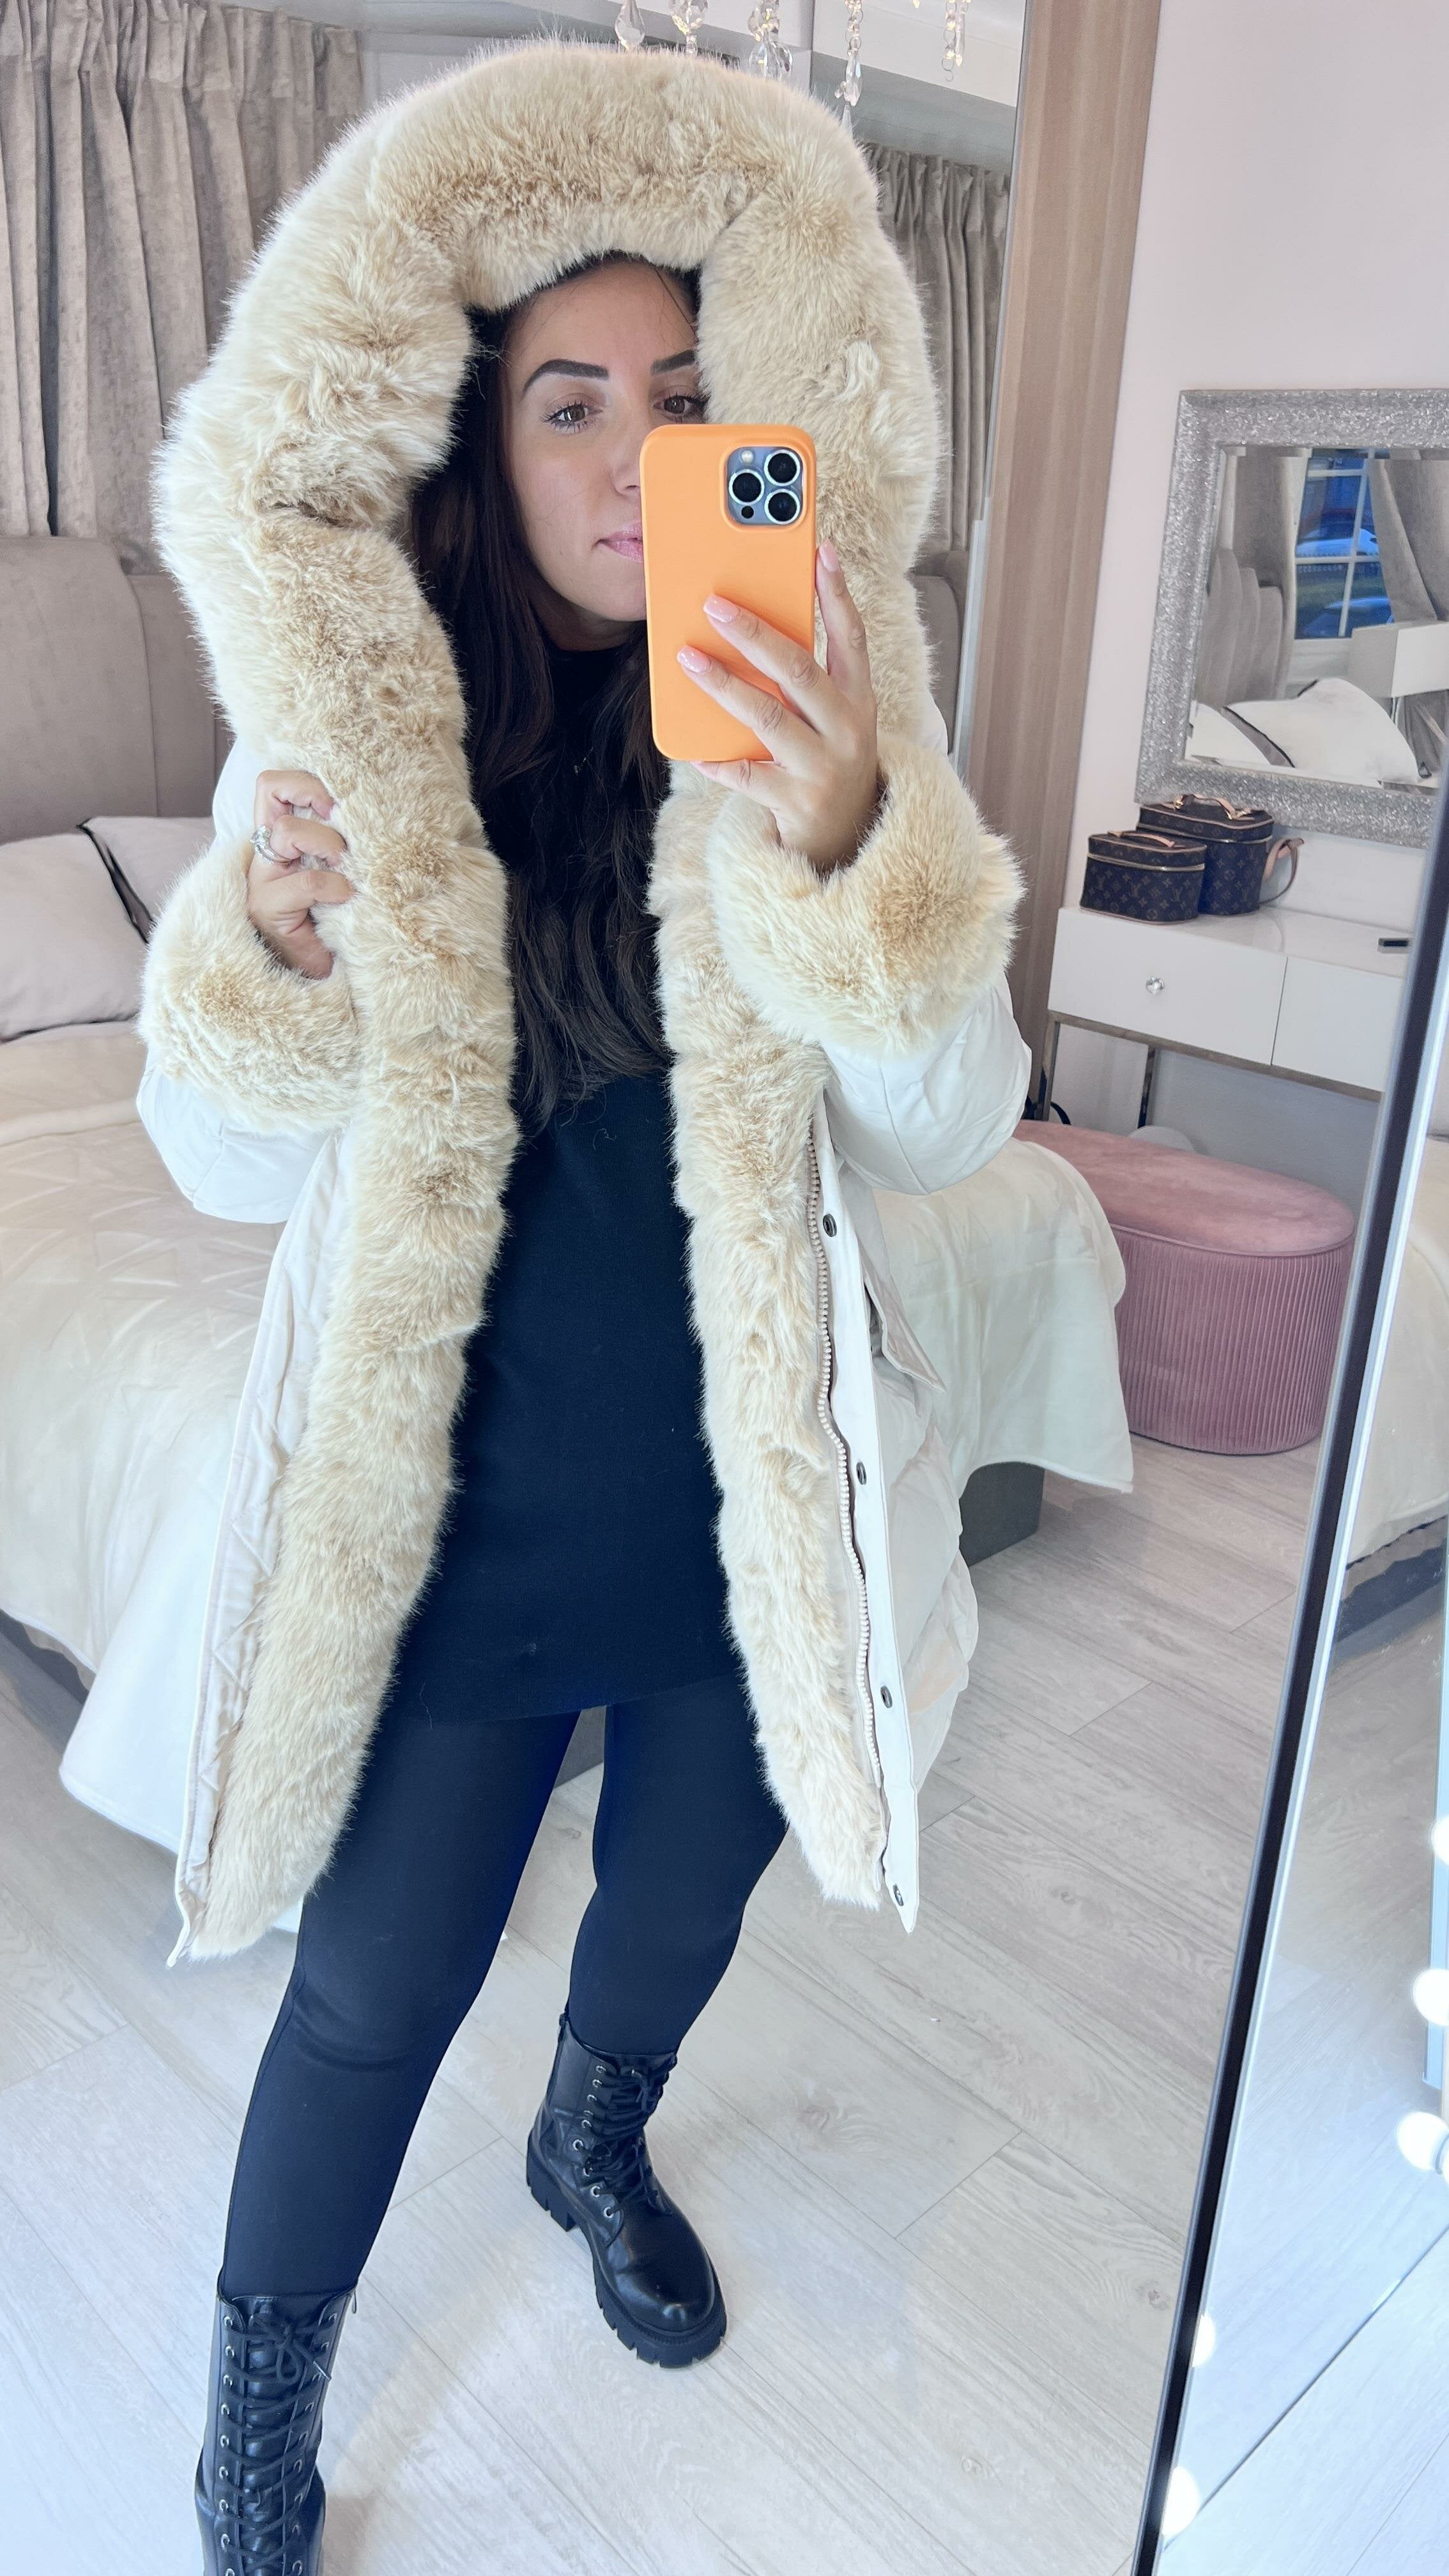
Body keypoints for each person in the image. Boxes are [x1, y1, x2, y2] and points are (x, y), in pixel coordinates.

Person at [135, 49, 1030, 2576]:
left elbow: (954, 1129)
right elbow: (216, 1165)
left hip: (746, 1518)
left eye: (687, 396)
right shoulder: (332, 758)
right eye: (571, 401)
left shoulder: (834, 716)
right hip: (452, 1528)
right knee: (367, 1994)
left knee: (677, 1907)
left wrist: (852, 846)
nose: (641, 456)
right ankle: (257, 2390)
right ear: (476, 441)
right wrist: (270, 958)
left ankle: (590, 2135)